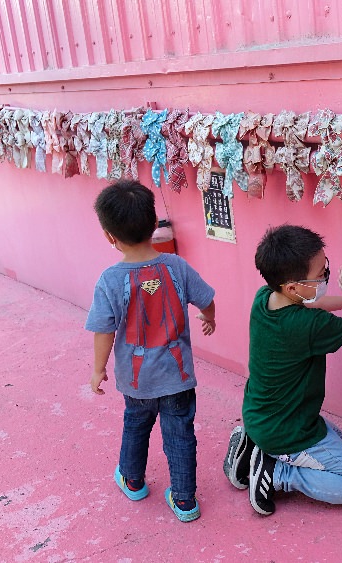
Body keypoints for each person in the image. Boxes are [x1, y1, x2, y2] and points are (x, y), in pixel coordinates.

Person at [223, 224, 342, 515]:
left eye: (326, 267)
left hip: (262, 416)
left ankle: (255, 449)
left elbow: (314, 303)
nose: (326, 276)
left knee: (339, 437)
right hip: (288, 432)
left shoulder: (265, 298)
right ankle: (277, 474)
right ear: (293, 287)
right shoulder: (305, 326)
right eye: (320, 274)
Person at [85, 179, 216, 523]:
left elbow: (104, 329)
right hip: (178, 377)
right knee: (180, 434)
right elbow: (207, 299)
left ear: (109, 237)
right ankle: (185, 501)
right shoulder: (177, 266)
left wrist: (98, 368)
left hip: (137, 381)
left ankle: (133, 480)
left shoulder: (109, 280)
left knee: (135, 426)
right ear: (153, 223)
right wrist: (209, 317)